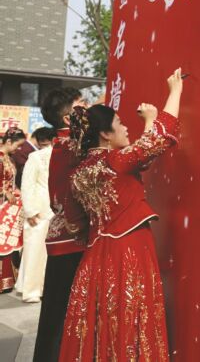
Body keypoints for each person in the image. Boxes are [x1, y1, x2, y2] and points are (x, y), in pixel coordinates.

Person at [59, 68, 183, 362]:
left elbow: (75, 225)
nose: (126, 128)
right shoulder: (116, 162)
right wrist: (175, 91)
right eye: (120, 123)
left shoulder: (79, 174)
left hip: (94, 258)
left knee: (98, 323)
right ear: (105, 134)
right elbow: (158, 139)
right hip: (129, 250)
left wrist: (148, 122)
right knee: (132, 316)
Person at [33, 87, 87, 362]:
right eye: (83, 105)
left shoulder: (66, 144)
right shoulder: (74, 147)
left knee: (56, 313)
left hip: (63, 239)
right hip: (73, 241)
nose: (89, 108)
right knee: (63, 315)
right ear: (69, 118)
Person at [15, 128, 59, 302]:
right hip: (38, 208)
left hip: (56, 209)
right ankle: (31, 291)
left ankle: (33, 286)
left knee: (46, 252)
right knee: (34, 250)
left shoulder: (66, 156)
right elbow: (27, 184)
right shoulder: (36, 157)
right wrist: (30, 210)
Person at [0, 127, 27, 291]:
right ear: (9, 141)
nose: (19, 149)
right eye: (18, 145)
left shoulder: (9, 158)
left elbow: (11, 182)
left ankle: (7, 280)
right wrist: (4, 192)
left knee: (9, 241)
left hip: (9, 205)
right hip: (2, 204)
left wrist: (17, 191)